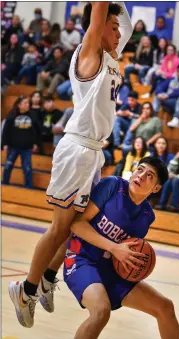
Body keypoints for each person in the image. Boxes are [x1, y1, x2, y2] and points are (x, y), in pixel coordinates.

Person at [9, 2, 133, 328]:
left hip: (93, 152)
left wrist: (119, 19)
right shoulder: (90, 50)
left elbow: (122, 23)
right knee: (59, 228)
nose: (120, 32)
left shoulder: (111, 55)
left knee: (78, 225)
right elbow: (101, 11)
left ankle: (49, 277)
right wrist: (101, 11)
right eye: (113, 26)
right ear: (97, 26)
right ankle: (25, 290)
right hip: (77, 148)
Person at [63, 157, 179, 339]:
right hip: (81, 259)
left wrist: (134, 265)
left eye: (149, 175)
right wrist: (114, 248)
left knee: (165, 307)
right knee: (101, 311)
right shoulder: (112, 185)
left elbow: (127, 252)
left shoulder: (147, 216)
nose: (141, 176)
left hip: (110, 270)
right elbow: (77, 225)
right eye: (140, 169)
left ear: (156, 188)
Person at [2, 96, 41, 188]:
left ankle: (28, 186)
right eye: (25, 103)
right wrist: (4, 144)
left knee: (27, 168)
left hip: (27, 148)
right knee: (8, 166)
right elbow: (5, 131)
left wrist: (36, 143)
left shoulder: (32, 115)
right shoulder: (11, 115)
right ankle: (4, 183)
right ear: (19, 105)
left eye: (28, 103)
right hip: (12, 146)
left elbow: (37, 131)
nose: (27, 105)